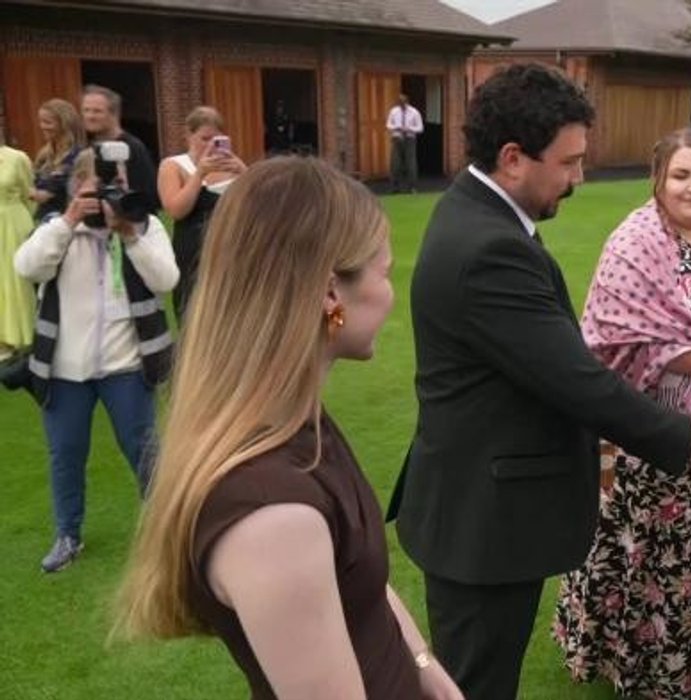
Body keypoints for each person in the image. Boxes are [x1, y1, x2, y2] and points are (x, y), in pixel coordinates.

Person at [387, 63, 691, 700]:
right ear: (514, 158)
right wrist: (684, 439)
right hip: (482, 523)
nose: (578, 178)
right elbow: (575, 379)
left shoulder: (476, 212)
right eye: (568, 163)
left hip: (474, 504)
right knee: (475, 687)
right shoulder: (490, 247)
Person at [113, 157, 462, 700]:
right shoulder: (274, 516)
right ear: (329, 292)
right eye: (384, 272)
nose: (391, 293)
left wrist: (423, 663)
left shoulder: (293, 421)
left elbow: (359, 582)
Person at [554, 128, 691, 698]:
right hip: (669, 434)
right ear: (658, 180)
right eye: (681, 175)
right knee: (669, 559)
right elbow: (616, 335)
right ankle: (659, 666)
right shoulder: (636, 243)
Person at [14, 147, 178, 573]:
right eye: (99, 186)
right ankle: (68, 535)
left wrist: (128, 234)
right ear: (76, 187)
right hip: (65, 370)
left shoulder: (145, 225)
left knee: (144, 450)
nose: (109, 193)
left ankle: (168, 532)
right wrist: (69, 220)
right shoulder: (57, 228)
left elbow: (166, 279)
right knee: (65, 454)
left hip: (125, 366)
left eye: (117, 185)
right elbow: (27, 267)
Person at [158, 106, 247, 321]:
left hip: (232, 251)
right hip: (193, 252)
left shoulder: (231, 165)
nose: (209, 146)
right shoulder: (173, 165)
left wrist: (243, 172)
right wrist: (200, 174)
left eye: (216, 140)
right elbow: (176, 210)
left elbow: (260, 205)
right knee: (194, 317)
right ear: (188, 135)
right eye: (204, 139)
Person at [80, 84, 159, 216]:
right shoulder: (90, 148)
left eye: (97, 111)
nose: (90, 116)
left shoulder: (132, 148)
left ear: (114, 114)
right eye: (86, 110)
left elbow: (148, 197)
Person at [1, 137, 36, 361]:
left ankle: (23, 336)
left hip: (13, 224)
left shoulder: (16, 158)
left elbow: (29, 195)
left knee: (15, 280)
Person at [30, 98, 86, 223]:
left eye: (48, 122)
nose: (42, 126)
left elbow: (43, 196)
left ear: (64, 124)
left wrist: (14, 185)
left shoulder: (76, 156)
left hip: (65, 223)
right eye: (41, 121)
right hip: (43, 221)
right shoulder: (44, 155)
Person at [387, 93, 423, 194]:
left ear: (407, 102)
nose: (401, 105)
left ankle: (412, 187)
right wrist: (396, 127)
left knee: (410, 164)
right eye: (399, 103)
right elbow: (388, 125)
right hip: (397, 138)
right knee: (395, 164)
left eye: (403, 103)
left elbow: (420, 128)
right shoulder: (394, 111)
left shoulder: (414, 112)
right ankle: (395, 187)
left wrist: (409, 129)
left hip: (409, 139)